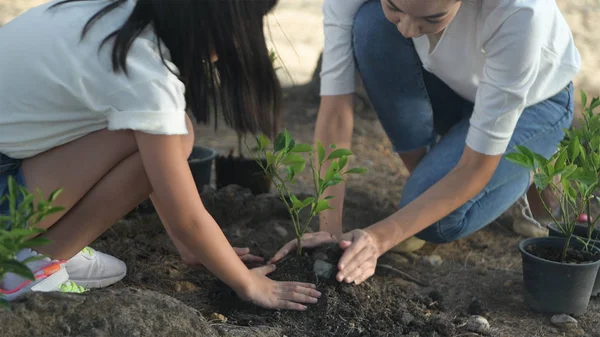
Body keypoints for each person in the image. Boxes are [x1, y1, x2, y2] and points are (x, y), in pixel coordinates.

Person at [0, 0, 322, 311]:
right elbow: (189, 219)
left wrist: (188, 245)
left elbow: (160, 165)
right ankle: (33, 264)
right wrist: (249, 284)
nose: (239, 42)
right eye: (246, 24)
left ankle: (48, 243)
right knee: (172, 134)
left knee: (172, 130)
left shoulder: (117, 15)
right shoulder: (144, 66)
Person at [269, 0, 580, 285]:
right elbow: (336, 110)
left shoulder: (520, 11)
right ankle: (432, 181)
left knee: (438, 224)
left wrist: (381, 237)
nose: (406, 30)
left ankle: (532, 161)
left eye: (432, 18)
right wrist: (328, 230)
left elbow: (475, 167)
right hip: (454, 87)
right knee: (372, 24)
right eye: (394, 6)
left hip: (536, 102)